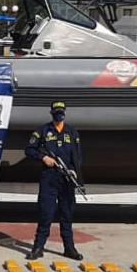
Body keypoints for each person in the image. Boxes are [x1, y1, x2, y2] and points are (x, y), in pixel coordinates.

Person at [24, 100, 83, 261]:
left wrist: (76, 175)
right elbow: (29, 150)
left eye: (61, 112)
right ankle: (38, 247)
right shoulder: (43, 130)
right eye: (56, 112)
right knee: (46, 214)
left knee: (67, 214)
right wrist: (43, 157)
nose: (59, 115)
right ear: (51, 113)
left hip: (66, 179)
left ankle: (69, 248)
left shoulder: (71, 132)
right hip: (49, 177)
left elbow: (77, 157)